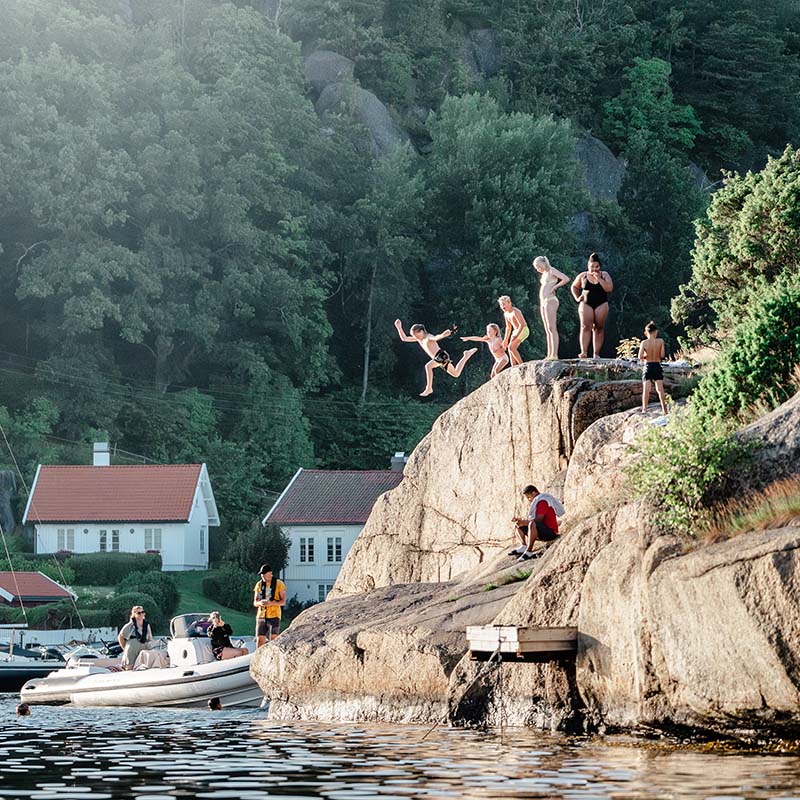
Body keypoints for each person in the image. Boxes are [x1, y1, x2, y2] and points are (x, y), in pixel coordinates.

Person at [395, 319, 478, 397]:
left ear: (421, 331)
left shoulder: (428, 337)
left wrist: (443, 335)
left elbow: (436, 337)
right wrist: (399, 327)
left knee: (428, 366)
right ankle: (466, 355)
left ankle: (429, 388)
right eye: (414, 336)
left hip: (441, 356)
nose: (416, 338)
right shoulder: (419, 339)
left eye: (416, 335)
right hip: (438, 358)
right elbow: (404, 338)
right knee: (456, 373)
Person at [570, 253, 614, 358]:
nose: (594, 269)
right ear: (588, 266)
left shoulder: (604, 275)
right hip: (586, 303)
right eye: (592, 266)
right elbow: (574, 287)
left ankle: (596, 353)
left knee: (599, 327)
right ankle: (584, 352)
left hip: (601, 303)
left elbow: (609, 289)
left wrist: (599, 278)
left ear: (600, 266)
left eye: (596, 266)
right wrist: (577, 297)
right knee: (585, 326)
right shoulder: (583, 275)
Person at [510, 484, 565, 562]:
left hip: (550, 532)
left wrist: (524, 522)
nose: (529, 500)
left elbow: (539, 520)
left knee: (531, 524)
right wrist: (521, 522)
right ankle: (523, 545)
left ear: (534, 493)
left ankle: (529, 552)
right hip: (541, 530)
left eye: (529, 497)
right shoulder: (537, 502)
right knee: (518, 525)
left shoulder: (542, 501)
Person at [533, 256, 570, 360]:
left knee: (552, 327)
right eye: (536, 267)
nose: (538, 268)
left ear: (544, 263)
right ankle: (549, 354)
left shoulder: (551, 270)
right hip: (543, 301)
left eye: (538, 266)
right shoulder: (544, 274)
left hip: (550, 300)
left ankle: (554, 354)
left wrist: (555, 287)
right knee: (547, 329)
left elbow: (566, 278)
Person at [253, 564, 287, 647]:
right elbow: (255, 602)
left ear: (270, 573)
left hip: (274, 615)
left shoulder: (279, 584)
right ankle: (259, 658)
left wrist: (271, 603)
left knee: (273, 640)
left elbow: (283, 602)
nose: (263, 576)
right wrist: (260, 603)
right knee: (260, 640)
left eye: (264, 573)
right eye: (261, 574)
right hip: (261, 616)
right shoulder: (259, 584)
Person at [639, 321, 668, 415]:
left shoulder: (644, 342)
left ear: (646, 333)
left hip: (648, 366)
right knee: (660, 389)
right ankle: (664, 409)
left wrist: (645, 355)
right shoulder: (660, 341)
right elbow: (662, 355)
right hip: (657, 365)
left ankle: (644, 409)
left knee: (646, 390)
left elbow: (640, 357)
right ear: (656, 332)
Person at [118, 605, 153, 669]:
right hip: (132, 650)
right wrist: (124, 648)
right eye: (139, 613)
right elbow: (120, 637)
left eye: (142, 612)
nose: (141, 614)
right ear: (134, 614)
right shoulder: (129, 625)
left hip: (144, 648)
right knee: (130, 668)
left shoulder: (146, 625)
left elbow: (150, 638)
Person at [498, 296, 529, 367]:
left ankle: (522, 365)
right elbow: (508, 327)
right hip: (515, 331)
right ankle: (513, 366)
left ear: (509, 303)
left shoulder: (516, 311)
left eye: (504, 304)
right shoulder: (506, 314)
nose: (502, 306)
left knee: (512, 347)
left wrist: (516, 335)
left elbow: (522, 324)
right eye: (501, 305)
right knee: (509, 348)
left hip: (523, 329)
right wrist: (505, 340)